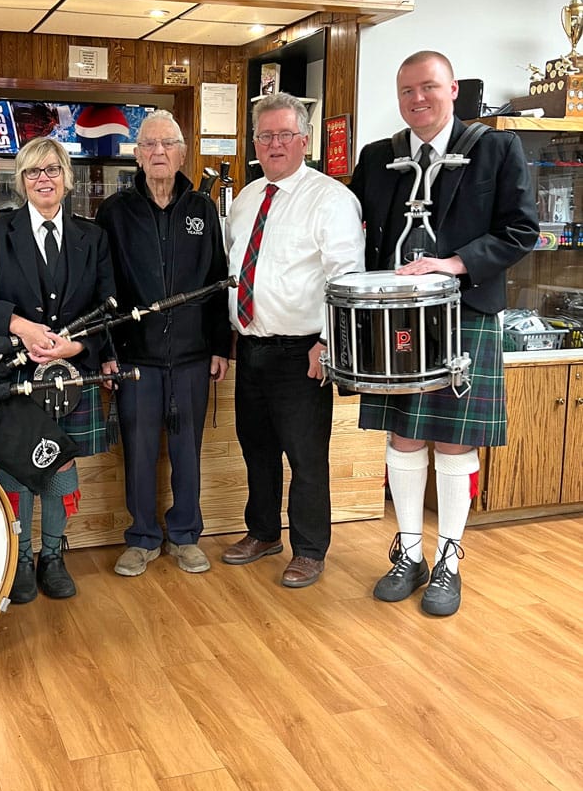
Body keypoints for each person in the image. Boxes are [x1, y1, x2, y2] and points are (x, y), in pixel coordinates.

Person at [350, 50, 539, 615]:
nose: (418, 100)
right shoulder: (378, 157)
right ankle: (409, 553)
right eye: (407, 90)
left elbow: (522, 229)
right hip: (395, 320)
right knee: (403, 437)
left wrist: (451, 263)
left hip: (466, 315)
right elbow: (356, 236)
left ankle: (450, 562)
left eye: (429, 88)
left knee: (455, 440)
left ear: (453, 88)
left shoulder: (495, 148)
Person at [0, 137, 115, 604]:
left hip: (70, 373)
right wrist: (21, 326)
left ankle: (53, 554)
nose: (42, 179)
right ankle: (21, 556)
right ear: (21, 181)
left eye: (51, 170)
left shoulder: (93, 236)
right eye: (32, 172)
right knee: (15, 463)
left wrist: (80, 345)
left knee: (59, 461)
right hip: (12, 367)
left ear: (67, 178)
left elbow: (108, 306)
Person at [222, 92, 365, 587]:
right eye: (266, 136)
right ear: (254, 143)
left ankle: (309, 548)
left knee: (305, 457)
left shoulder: (331, 199)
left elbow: (345, 279)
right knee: (255, 448)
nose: (275, 144)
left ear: (305, 140)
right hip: (254, 349)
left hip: (303, 352)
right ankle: (262, 533)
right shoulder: (245, 200)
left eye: (285, 135)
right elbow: (235, 271)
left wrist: (329, 342)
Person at [96, 110, 230, 577]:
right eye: (149, 144)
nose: (158, 152)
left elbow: (217, 281)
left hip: (192, 356)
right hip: (135, 357)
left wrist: (220, 346)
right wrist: (107, 353)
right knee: (137, 449)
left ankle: (185, 534)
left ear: (182, 151)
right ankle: (142, 537)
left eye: (167, 144)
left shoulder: (201, 209)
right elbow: (104, 287)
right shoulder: (114, 212)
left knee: (186, 449)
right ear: (137, 154)